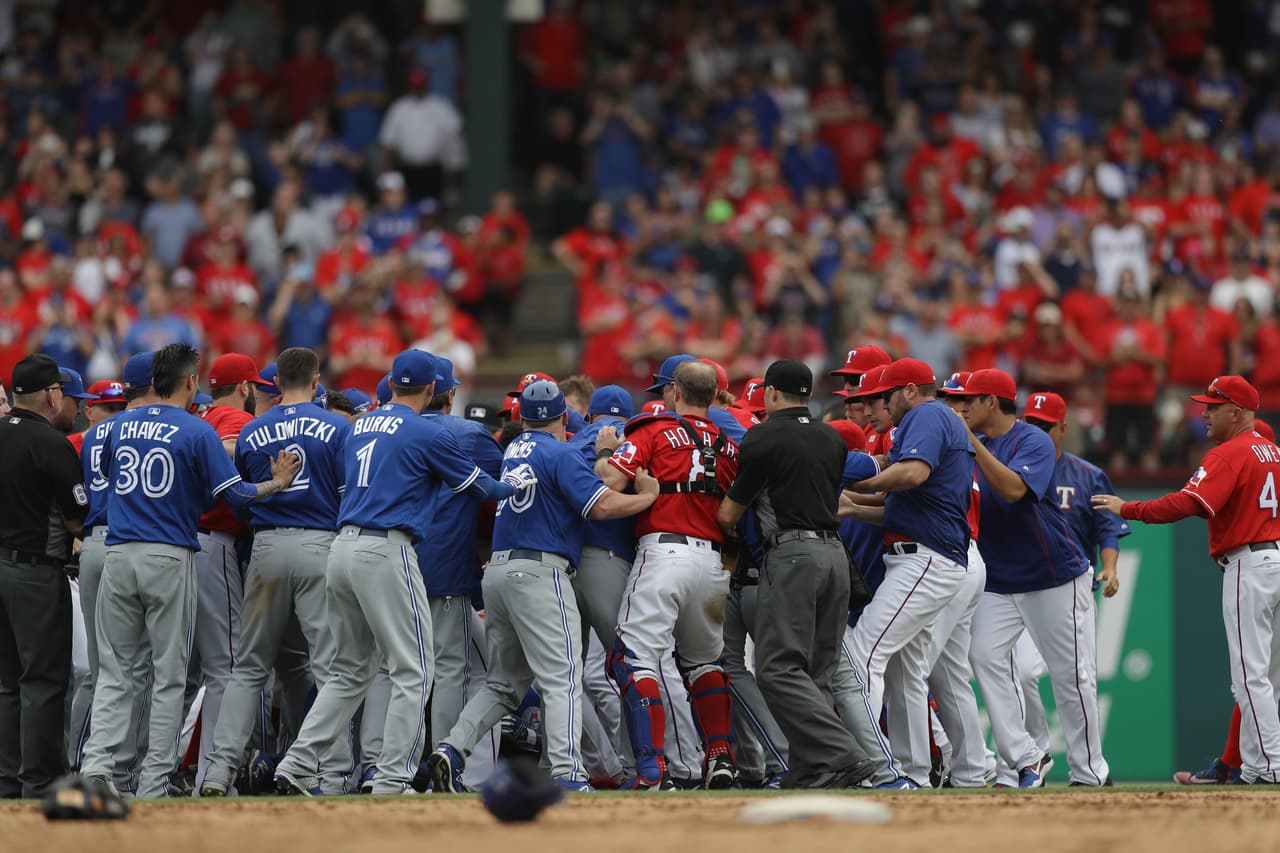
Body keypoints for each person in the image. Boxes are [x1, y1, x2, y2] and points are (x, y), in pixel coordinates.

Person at [272, 349, 533, 796]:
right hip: (386, 549)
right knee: (414, 669)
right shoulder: (425, 431)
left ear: (392, 383)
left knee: (349, 672)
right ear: (433, 389)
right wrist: (520, 481)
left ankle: (296, 763)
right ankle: (392, 776)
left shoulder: (360, 426)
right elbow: (482, 488)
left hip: (343, 548)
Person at [79, 344, 302, 799]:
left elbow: (105, 480)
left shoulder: (117, 426)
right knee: (169, 675)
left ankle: (97, 767)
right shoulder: (196, 431)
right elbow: (236, 494)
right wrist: (277, 482)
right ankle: (154, 781)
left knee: (117, 672)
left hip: (120, 551)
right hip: (168, 554)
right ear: (188, 381)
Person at [429, 380, 659, 792]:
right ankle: (568, 773)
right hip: (538, 571)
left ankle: (451, 748)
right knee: (563, 675)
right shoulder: (561, 452)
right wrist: (646, 498)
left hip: (498, 571)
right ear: (561, 416)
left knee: (503, 684)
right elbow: (601, 505)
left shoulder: (514, 450)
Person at [1094, 375, 1280, 785]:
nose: (1204, 414)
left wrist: (1130, 508)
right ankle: (1255, 765)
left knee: (1250, 678)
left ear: (1237, 412)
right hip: (1275, 557)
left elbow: (1188, 503)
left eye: (1214, 407)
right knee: (1271, 677)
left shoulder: (1229, 453)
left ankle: (1269, 766)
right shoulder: (1274, 452)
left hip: (1249, 564)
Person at [200, 347, 353, 797]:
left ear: (276, 382)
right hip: (318, 543)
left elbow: (245, 495)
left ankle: (217, 771)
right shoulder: (337, 426)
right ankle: (329, 772)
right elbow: (346, 497)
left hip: (266, 547)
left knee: (248, 668)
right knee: (329, 667)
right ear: (316, 378)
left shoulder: (253, 428)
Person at [718, 358, 877, 789]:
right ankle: (815, 768)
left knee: (776, 668)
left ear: (771, 393)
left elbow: (729, 512)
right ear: (806, 393)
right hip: (835, 556)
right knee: (818, 671)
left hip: (792, 556)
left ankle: (844, 755)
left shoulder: (763, 436)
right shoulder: (830, 436)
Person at [949, 368, 1111, 787]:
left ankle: (1090, 772)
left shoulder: (1031, 439)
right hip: (999, 580)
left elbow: (1013, 490)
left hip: (1053, 574)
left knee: (1072, 675)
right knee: (983, 657)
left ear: (991, 402)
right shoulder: (974, 444)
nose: (962, 407)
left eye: (970, 399)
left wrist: (971, 446)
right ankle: (1025, 756)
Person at [594, 360, 740, 789]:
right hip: (712, 562)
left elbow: (609, 479)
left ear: (674, 392)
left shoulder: (653, 432)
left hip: (663, 554)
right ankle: (719, 755)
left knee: (631, 659)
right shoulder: (730, 445)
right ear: (715, 396)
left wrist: (605, 451)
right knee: (704, 663)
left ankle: (651, 768)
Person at [839, 358, 976, 789]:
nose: (878, 406)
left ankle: (867, 768)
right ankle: (913, 774)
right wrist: (851, 506)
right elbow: (904, 505)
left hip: (925, 558)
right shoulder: (929, 420)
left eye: (884, 397)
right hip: (927, 553)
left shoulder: (927, 414)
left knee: (862, 655)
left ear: (910, 391)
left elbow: (913, 474)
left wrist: (859, 481)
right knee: (903, 672)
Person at [403, 357, 503, 793]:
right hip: (445, 569)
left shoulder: (388, 428)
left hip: (396, 564)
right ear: (446, 394)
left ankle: (384, 770)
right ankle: (455, 764)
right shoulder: (466, 433)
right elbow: (511, 482)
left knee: (398, 673)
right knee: (463, 672)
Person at [0, 354, 87, 797]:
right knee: (42, 681)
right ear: (52, 395)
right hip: (33, 570)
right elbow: (77, 521)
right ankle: (38, 783)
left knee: (6, 682)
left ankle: (8, 782)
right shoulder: (52, 444)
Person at [73, 353, 157, 793]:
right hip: (131, 543)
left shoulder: (93, 435)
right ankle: (122, 771)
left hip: (93, 544)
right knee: (137, 666)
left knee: (100, 667)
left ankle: (84, 763)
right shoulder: (146, 429)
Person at [189, 352, 265, 793]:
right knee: (229, 667)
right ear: (245, 387)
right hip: (213, 543)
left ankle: (154, 776)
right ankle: (211, 777)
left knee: (184, 672)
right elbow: (226, 448)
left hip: (187, 544)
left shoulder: (203, 415)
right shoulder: (234, 416)